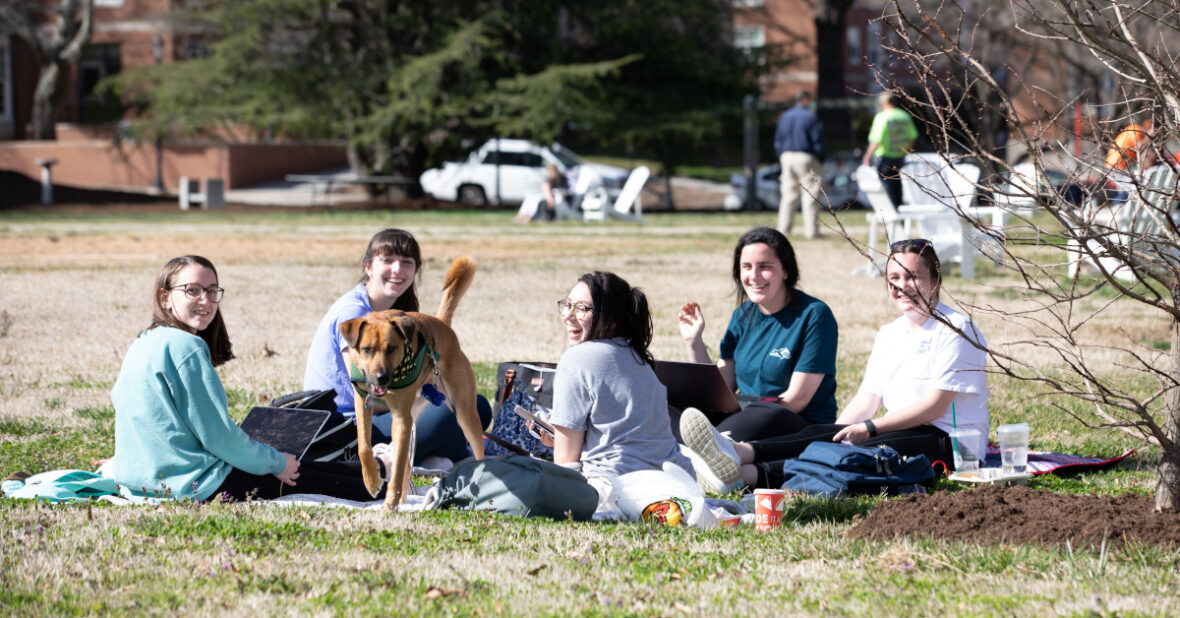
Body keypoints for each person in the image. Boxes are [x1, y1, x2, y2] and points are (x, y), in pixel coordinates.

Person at [682, 239, 989, 491]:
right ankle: (736, 458)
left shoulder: (957, 329)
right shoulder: (890, 334)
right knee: (830, 442)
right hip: (899, 428)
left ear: (935, 279)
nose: (902, 286)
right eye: (893, 278)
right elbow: (868, 399)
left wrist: (869, 428)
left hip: (951, 441)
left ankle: (742, 471)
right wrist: (836, 433)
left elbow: (935, 406)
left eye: (913, 277)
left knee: (859, 454)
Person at [108, 255, 396, 502]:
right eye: (192, 290)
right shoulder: (186, 346)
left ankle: (381, 466)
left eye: (211, 291)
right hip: (193, 485)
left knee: (298, 465)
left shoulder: (144, 341)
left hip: (142, 481)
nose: (205, 300)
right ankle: (384, 473)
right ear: (165, 297)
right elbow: (217, 437)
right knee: (301, 474)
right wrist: (275, 462)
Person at [303, 229, 491, 465]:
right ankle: (418, 458)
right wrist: (426, 392)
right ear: (368, 267)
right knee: (446, 415)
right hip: (344, 427)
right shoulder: (355, 314)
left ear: (415, 270)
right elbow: (366, 392)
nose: (397, 270)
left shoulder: (397, 318)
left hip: (379, 417)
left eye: (406, 262)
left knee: (477, 407)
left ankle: (427, 456)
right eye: (387, 260)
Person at [675, 227, 839, 450]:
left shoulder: (815, 315)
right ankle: (706, 448)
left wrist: (741, 415)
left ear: (786, 271)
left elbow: (795, 401)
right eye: (746, 267)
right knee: (674, 408)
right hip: (744, 415)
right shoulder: (741, 315)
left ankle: (712, 447)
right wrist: (693, 341)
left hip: (794, 422)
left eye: (765, 267)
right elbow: (720, 390)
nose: (753, 276)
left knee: (758, 419)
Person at [543, 271, 694, 502]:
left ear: (611, 321)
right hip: (678, 482)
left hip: (614, 488)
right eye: (567, 305)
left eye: (582, 309)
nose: (568, 316)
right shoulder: (639, 359)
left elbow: (566, 464)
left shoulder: (575, 360)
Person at [774, 91, 825, 239]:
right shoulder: (810, 116)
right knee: (810, 194)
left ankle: (783, 230)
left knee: (788, 195)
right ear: (805, 100)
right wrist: (820, 158)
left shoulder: (785, 116)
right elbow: (818, 140)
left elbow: (778, 140)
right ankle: (811, 232)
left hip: (786, 157)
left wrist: (781, 155)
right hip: (805, 156)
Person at [862, 91, 919, 207]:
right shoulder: (904, 116)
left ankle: (892, 212)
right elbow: (912, 137)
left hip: (884, 157)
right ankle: (900, 208)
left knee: (887, 187)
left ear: (883, 103)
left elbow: (876, 140)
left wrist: (867, 157)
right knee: (897, 184)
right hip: (900, 156)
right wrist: (907, 150)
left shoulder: (882, 117)